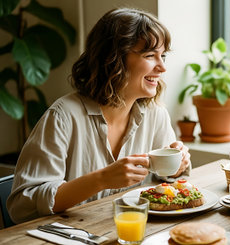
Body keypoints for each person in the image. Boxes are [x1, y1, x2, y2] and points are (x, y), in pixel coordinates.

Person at [7, 8, 191, 224]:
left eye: (163, 56)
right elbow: (22, 206)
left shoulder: (155, 113)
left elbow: (169, 181)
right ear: (114, 59)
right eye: (150, 55)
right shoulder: (63, 116)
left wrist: (178, 166)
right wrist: (101, 179)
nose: (162, 67)